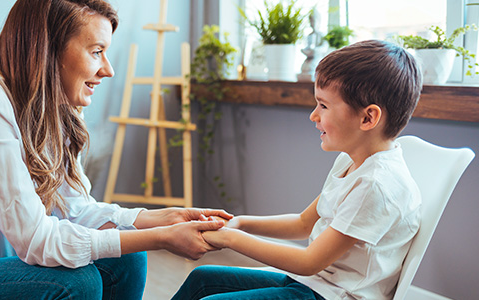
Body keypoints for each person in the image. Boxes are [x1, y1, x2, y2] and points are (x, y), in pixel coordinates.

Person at [0, 0, 231, 299]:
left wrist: (157, 219)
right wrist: (160, 238)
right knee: (77, 282)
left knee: (127, 256)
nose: (108, 70)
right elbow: (36, 240)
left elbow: (74, 210)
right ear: (48, 47)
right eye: (97, 52)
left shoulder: (50, 107)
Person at [172, 40, 423, 300]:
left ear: (368, 118)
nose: (313, 116)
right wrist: (240, 223)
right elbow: (304, 223)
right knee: (202, 280)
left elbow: (308, 261)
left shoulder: (376, 186)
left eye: (323, 106)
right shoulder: (351, 161)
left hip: (336, 295)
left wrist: (228, 238)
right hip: (313, 284)